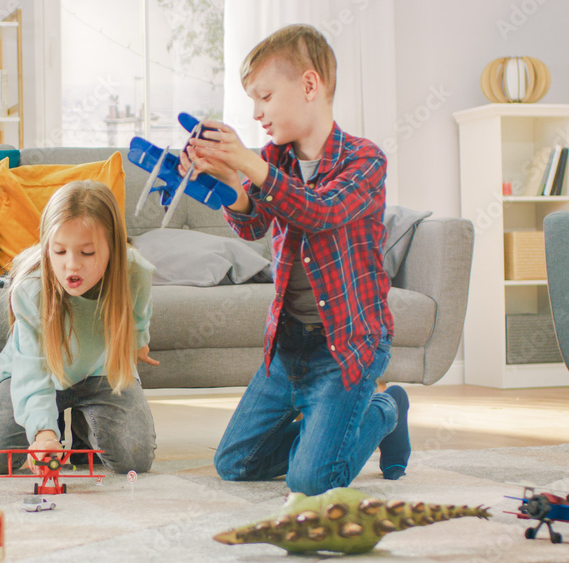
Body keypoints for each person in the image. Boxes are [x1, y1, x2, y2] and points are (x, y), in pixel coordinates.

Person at [179, 24, 411, 495]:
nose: (257, 113)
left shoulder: (365, 161)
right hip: (288, 346)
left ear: (309, 85)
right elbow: (253, 225)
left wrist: (248, 165)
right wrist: (229, 182)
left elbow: (321, 212)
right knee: (234, 463)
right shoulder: (273, 159)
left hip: (347, 345)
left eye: (264, 96)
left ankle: (386, 410)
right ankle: (325, 430)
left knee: (312, 480)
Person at [0, 180, 159, 475]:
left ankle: (85, 431)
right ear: (47, 247)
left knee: (134, 459)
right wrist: (43, 434)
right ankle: (51, 418)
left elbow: (138, 313)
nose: (72, 265)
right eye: (59, 252)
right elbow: (32, 371)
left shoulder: (134, 271)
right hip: (36, 374)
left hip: (100, 372)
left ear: (114, 248)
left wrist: (138, 341)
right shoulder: (31, 288)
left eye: (87, 253)